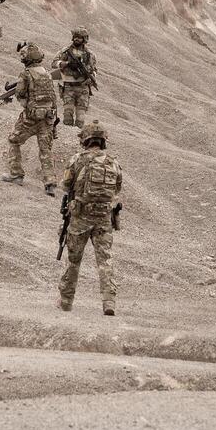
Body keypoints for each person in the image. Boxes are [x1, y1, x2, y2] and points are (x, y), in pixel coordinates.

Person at [58, 121, 124, 315]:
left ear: (85, 140)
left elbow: (65, 184)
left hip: (80, 217)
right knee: (105, 260)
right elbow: (117, 189)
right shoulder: (113, 162)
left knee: (73, 261)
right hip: (103, 218)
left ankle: (66, 300)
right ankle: (109, 302)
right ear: (103, 141)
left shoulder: (78, 159)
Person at [0, 43, 58, 193]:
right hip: (47, 118)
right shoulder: (47, 73)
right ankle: (50, 183)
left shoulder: (26, 74)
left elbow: (20, 94)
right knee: (46, 150)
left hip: (30, 119)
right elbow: (53, 97)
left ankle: (16, 174)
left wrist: (22, 101)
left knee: (14, 140)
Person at [52, 27, 97, 127]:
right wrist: (66, 63)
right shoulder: (65, 51)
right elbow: (54, 63)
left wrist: (91, 77)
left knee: (80, 119)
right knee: (68, 116)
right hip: (68, 87)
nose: (77, 39)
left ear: (84, 39)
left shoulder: (90, 55)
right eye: (75, 37)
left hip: (83, 87)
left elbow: (94, 70)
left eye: (79, 37)